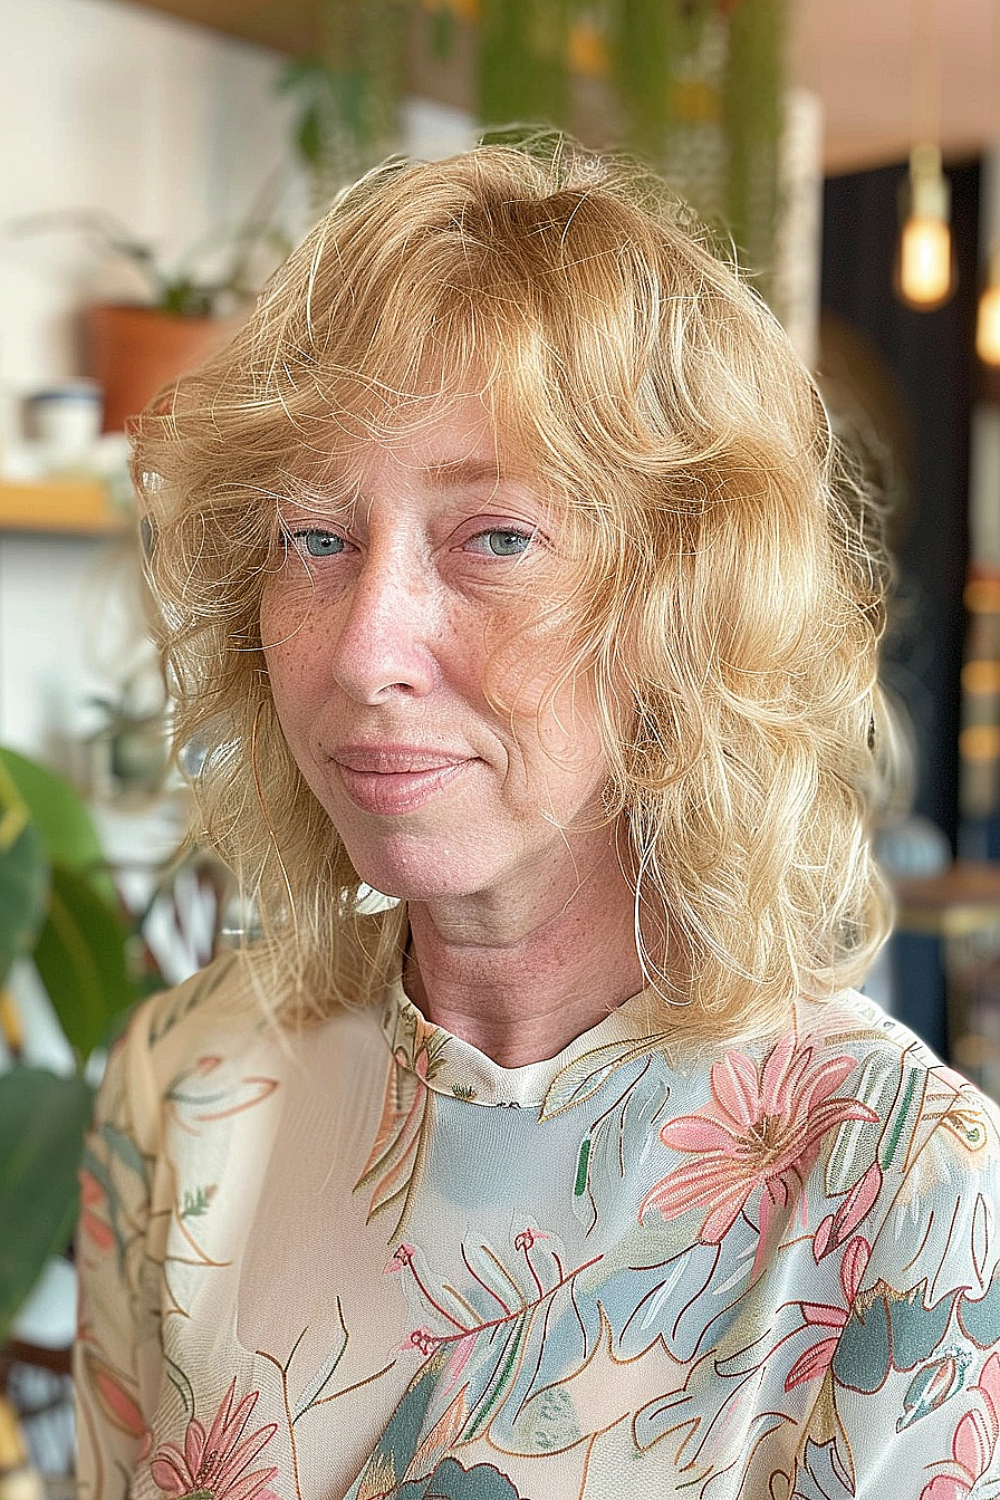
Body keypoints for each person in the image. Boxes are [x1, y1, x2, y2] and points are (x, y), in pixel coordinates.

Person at [75, 140, 1000, 1500]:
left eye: (493, 538)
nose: (363, 652)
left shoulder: (897, 1191)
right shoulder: (189, 1087)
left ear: (683, 612)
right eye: (314, 539)